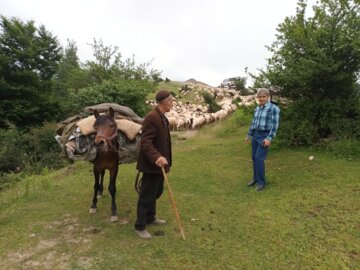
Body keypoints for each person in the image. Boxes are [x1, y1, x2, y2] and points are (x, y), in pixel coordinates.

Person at [135, 90, 174, 239]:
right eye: (171, 100)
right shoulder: (152, 117)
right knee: (147, 195)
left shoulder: (162, 117)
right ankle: (140, 226)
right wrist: (157, 157)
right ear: (164, 102)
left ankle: (151, 217)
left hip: (160, 165)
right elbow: (145, 142)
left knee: (156, 192)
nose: (172, 103)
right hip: (152, 165)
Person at [245, 88, 280, 191]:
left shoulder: (274, 108)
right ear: (257, 98)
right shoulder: (257, 108)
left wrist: (269, 138)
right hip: (256, 135)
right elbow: (253, 123)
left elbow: (275, 125)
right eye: (260, 97)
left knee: (259, 159)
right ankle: (255, 178)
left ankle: (261, 182)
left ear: (268, 97)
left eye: (264, 96)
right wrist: (249, 135)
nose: (261, 99)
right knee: (254, 158)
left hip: (265, 136)